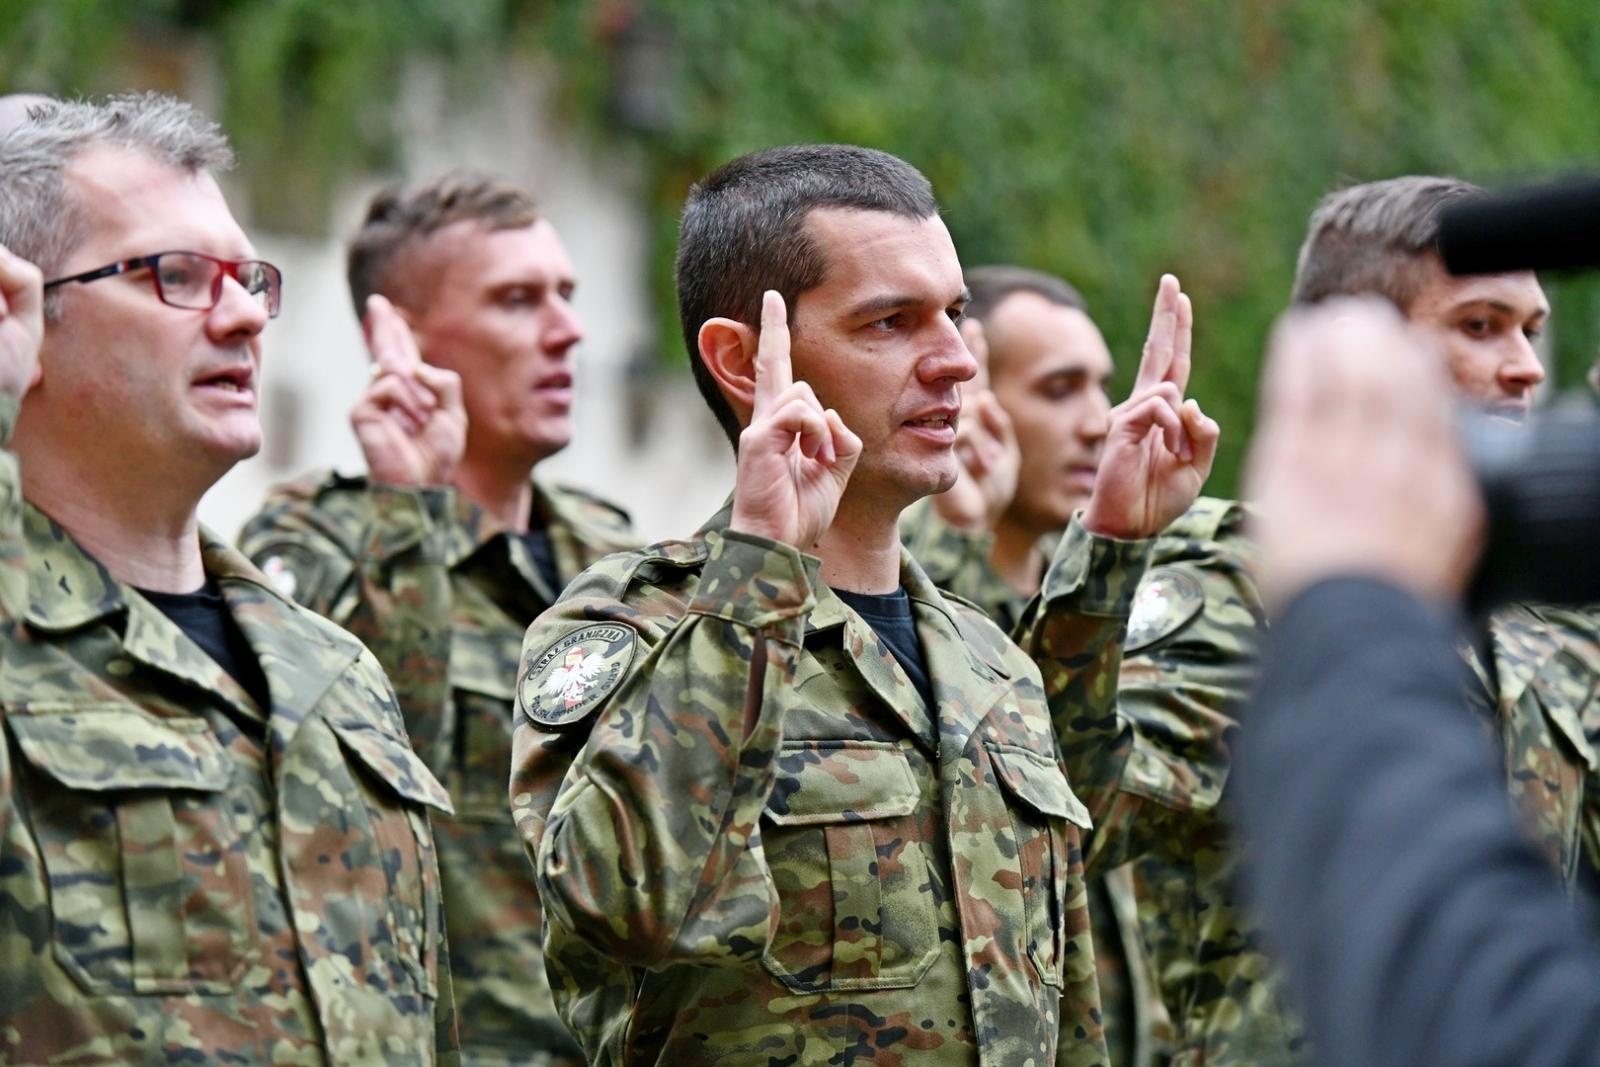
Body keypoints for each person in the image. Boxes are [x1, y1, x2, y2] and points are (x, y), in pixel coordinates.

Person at [509, 143, 1218, 1064]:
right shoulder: (636, 627)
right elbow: (627, 902)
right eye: (891, 321)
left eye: (956, 315)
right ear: (739, 360)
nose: (959, 361)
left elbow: (1070, 1013)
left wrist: (1114, 545)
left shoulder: (991, 664)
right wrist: (759, 570)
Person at [0, 93, 457, 1064]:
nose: (247, 314)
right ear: (24, 316)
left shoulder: (334, 675)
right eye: (177, 274)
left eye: (249, 277)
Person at [240, 170, 635, 1065]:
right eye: (517, 300)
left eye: (567, 295)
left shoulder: (615, 553)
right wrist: (408, 511)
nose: (567, 331)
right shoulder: (317, 536)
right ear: (403, 337)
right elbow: (344, 786)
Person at [902, 265, 1266, 1066]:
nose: (1099, 422)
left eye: (1101, 387)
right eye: (1059, 388)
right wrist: (957, 533)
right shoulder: (898, 603)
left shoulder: (1111, 613)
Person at [1238, 298, 1600, 1067]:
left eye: (1534, 331)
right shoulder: (1238, 587)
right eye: (1478, 326)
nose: (1527, 364)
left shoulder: (1549, 629)